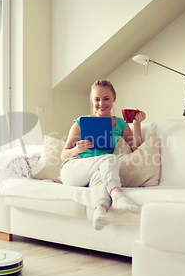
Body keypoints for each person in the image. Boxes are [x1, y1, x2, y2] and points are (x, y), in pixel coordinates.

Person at [60, 79, 146, 230]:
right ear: (91, 100)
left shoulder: (120, 124)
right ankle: (118, 195)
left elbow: (135, 148)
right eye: (97, 99)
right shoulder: (81, 122)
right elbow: (64, 154)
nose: (101, 103)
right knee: (110, 158)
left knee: (101, 175)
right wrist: (76, 150)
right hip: (73, 169)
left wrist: (136, 124)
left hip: (99, 170)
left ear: (114, 98)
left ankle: (100, 212)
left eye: (106, 98)